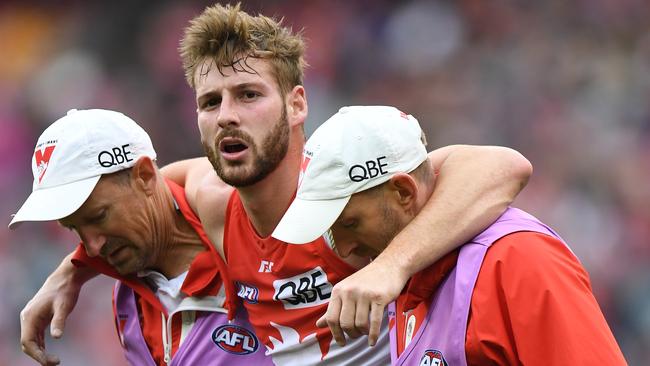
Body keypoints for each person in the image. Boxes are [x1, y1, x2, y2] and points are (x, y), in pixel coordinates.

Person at [18, 4, 533, 365]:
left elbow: (503, 167)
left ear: (297, 104)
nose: (226, 116)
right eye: (210, 102)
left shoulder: (347, 196)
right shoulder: (216, 208)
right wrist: (73, 270)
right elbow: (140, 190)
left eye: (248, 95)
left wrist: (391, 267)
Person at [272, 105, 628, 365]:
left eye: (350, 224)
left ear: (403, 192)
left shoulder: (517, 257)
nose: (345, 248)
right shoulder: (406, 281)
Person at [10, 109, 271, 366]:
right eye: (74, 228)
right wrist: (70, 271)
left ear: (144, 176)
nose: (91, 249)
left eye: (99, 216)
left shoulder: (252, 235)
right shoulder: (126, 299)